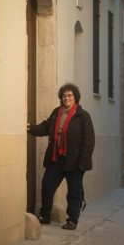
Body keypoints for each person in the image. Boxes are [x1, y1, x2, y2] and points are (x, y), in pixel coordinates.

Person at [27, 82, 95, 230]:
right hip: (56, 159)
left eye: (70, 95)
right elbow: (45, 127)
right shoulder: (56, 112)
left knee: (74, 192)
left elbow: (88, 141)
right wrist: (30, 128)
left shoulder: (83, 116)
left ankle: (72, 220)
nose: (67, 98)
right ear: (61, 97)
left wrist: (82, 162)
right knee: (47, 186)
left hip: (75, 162)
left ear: (75, 97)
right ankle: (45, 215)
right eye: (64, 95)